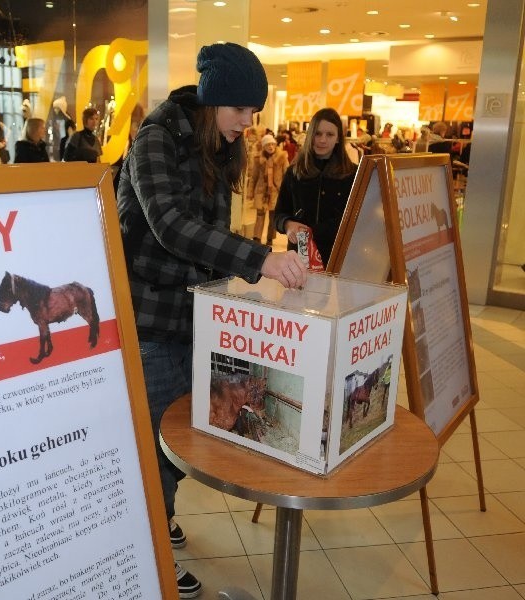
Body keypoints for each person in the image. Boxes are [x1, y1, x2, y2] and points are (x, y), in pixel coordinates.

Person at [116, 41, 306, 599]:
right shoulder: (156, 137)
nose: (248, 123)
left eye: (254, 112)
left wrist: (232, 300)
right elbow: (170, 225)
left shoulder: (219, 147)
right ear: (212, 98)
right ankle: (150, 555)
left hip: (190, 315)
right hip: (147, 317)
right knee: (150, 441)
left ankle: (162, 519)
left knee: (174, 436)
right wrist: (259, 258)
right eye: (240, 109)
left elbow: (212, 236)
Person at [274, 107, 358, 267]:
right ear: (310, 134)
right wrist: (287, 224)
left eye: (330, 134)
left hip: (338, 258)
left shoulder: (352, 174)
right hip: (300, 257)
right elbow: (278, 214)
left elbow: (354, 220)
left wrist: (317, 231)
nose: (322, 140)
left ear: (338, 138)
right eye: (318, 133)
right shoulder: (295, 172)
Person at [248, 133, 289, 245]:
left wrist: (287, 191)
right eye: (268, 145)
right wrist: (250, 192)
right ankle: (257, 238)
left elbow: (287, 175)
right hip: (261, 191)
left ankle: (270, 238)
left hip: (275, 191)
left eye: (272, 144)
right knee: (260, 215)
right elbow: (254, 177)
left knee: (273, 217)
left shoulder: (282, 157)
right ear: (263, 146)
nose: (270, 147)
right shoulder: (258, 159)